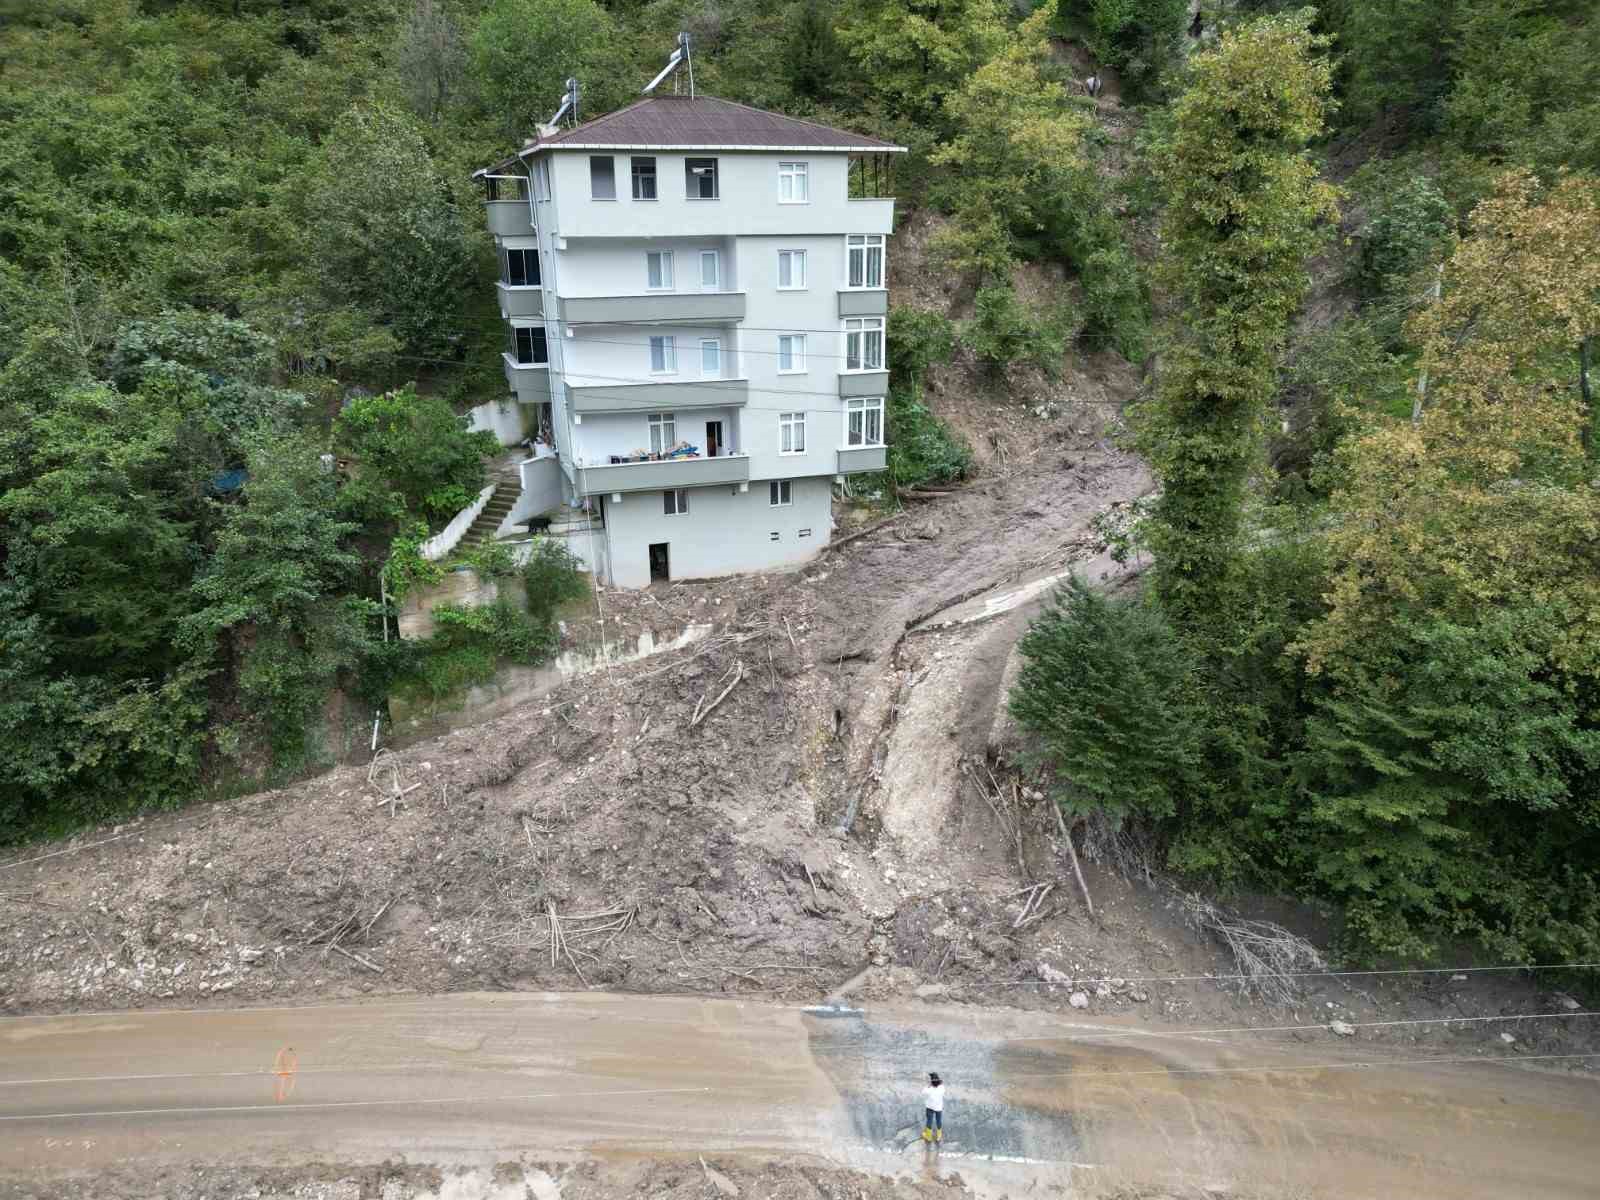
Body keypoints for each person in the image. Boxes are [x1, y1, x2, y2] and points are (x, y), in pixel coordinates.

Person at [921, 1072, 945, 1143]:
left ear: (931, 1082)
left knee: (929, 1121)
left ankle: (928, 1137)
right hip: (938, 1108)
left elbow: (923, 1092)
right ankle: (939, 1136)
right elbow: (942, 1086)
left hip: (929, 1107)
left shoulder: (928, 1090)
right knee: (938, 1121)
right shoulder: (942, 1088)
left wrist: (929, 1085)